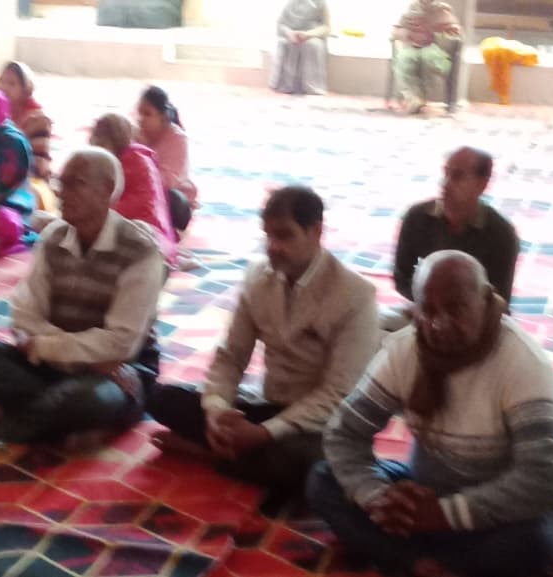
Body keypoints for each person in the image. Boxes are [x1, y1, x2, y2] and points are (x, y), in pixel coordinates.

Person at [308, 250, 553, 577]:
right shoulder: (405, 351)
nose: (439, 324)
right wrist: (377, 496)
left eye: (455, 308)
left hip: (503, 513)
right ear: (414, 309)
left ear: (485, 300)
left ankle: (415, 561)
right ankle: (428, 566)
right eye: (429, 310)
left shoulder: (521, 361)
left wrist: (444, 514)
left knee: (535, 538)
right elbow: (344, 434)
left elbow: (546, 476)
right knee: (323, 479)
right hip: (428, 496)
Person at [149, 185, 380, 502]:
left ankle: (209, 453)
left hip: (319, 424)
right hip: (266, 407)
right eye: (268, 236)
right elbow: (231, 357)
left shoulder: (355, 296)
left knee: (311, 467)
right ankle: (231, 450)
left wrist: (264, 434)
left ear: (316, 232)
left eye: (284, 236)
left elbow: (338, 394)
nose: (273, 247)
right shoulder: (259, 278)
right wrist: (218, 412)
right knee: (161, 397)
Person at [0, 147, 166, 450]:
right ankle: (64, 422)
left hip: (120, 374)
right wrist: (66, 354)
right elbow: (24, 315)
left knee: (92, 398)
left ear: (107, 190)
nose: (60, 192)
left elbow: (120, 343)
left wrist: (44, 346)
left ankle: (10, 422)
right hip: (65, 364)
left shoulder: (140, 251)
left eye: (75, 183)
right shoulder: (53, 238)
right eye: (61, 182)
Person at [393, 147, 519, 313]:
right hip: (424, 311)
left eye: (457, 176)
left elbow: (499, 299)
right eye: (446, 173)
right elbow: (402, 277)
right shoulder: (417, 217)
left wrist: (454, 314)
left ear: (482, 185)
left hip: (476, 320)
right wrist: (431, 306)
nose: (445, 184)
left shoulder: (501, 234)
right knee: (381, 323)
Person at [89, 112, 177, 265]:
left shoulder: (130, 163)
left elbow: (107, 210)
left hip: (150, 247)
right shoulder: (137, 156)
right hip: (161, 242)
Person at [0, 60, 57, 211]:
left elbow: (39, 165)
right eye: (2, 81)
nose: (4, 87)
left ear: (25, 90)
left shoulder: (38, 120)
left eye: (12, 83)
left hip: (31, 182)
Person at [136, 85, 197, 234]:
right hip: (143, 195)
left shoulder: (178, 139)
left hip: (171, 200)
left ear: (163, 118)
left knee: (174, 200)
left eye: (147, 114)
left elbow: (167, 182)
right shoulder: (136, 136)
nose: (141, 120)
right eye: (139, 114)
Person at [392, 0, 461, 113]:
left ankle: (422, 97)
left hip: (435, 49)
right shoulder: (411, 8)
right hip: (413, 47)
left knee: (427, 58)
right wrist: (408, 34)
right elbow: (397, 30)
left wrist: (437, 32)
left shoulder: (442, 9)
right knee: (405, 60)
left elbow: (455, 33)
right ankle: (414, 97)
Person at [270, 0, 330, 96]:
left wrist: (308, 34)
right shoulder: (291, 3)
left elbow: (326, 27)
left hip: (312, 36)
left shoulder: (320, 3)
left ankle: (310, 87)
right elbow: (280, 24)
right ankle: (287, 85)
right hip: (293, 35)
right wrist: (289, 33)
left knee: (311, 45)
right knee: (285, 43)